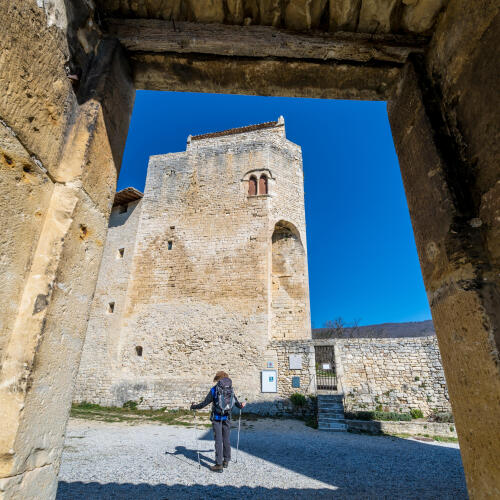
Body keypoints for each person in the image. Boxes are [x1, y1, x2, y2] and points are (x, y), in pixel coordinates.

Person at [190, 371, 245, 472]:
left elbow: (204, 403)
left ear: (217, 379)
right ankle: (226, 461)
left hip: (216, 418)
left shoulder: (214, 390)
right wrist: (241, 406)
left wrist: (194, 406)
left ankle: (218, 465)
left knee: (218, 441)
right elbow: (237, 403)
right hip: (227, 417)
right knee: (226, 439)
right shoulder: (230, 389)